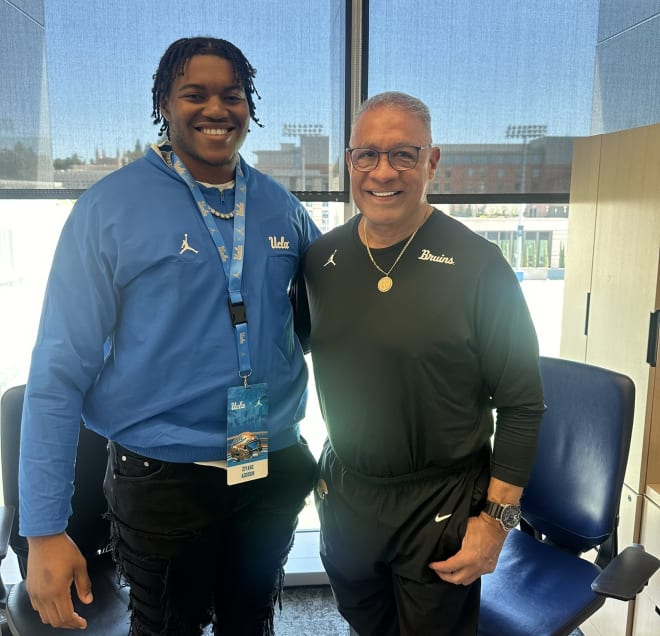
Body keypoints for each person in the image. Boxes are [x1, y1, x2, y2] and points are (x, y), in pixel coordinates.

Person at [19, 37, 321, 635]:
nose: (217, 109)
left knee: (250, 618)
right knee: (167, 627)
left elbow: (328, 316)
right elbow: (57, 376)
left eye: (232, 95)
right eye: (195, 94)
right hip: (162, 475)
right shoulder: (108, 209)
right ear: (165, 102)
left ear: (248, 105)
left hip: (260, 455)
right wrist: (44, 530)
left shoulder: (280, 207)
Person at [303, 91, 546, 636]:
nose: (382, 171)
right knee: (364, 624)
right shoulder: (321, 260)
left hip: (440, 501)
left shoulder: (480, 266)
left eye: (403, 155)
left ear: (431, 162)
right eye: (366, 154)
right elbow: (287, 353)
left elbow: (523, 404)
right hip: (347, 491)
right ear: (349, 162)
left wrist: (497, 524)